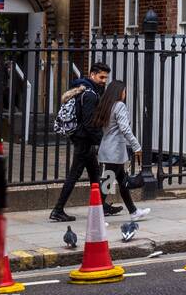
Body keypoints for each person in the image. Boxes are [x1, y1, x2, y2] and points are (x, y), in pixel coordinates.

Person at [50, 62, 119, 223]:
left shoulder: (85, 90)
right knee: (74, 175)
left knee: (95, 173)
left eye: (106, 78)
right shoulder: (90, 95)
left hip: (83, 140)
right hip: (84, 141)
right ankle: (58, 209)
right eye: (101, 77)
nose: (104, 80)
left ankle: (102, 205)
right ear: (92, 75)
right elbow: (89, 123)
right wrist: (102, 141)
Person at [95, 80, 149, 220]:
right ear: (119, 92)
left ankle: (133, 211)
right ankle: (96, 217)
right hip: (114, 152)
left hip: (108, 150)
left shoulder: (106, 105)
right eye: (124, 91)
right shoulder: (119, 106)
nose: (125, 94)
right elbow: (125, 129)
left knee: (122, 182)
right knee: (106, 185)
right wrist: (136, 146)